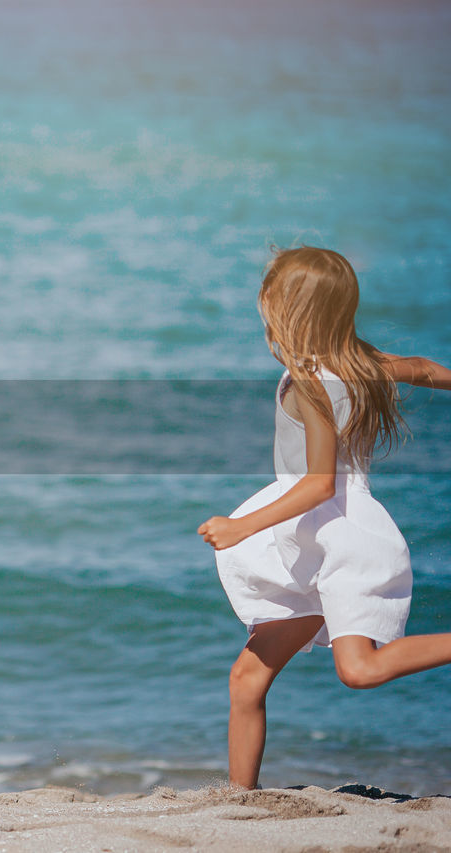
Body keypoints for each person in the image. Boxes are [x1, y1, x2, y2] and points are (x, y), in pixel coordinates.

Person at [197, 246, 451, 790]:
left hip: (340, 536)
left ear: (289, 311)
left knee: (360, 670)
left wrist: (242, 526)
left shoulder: (311, 384)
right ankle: (240, 803)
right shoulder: (357, 365)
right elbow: (425, 369)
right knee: (247, 681)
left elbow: (318, 484)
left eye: (270, 298)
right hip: (308, 542)